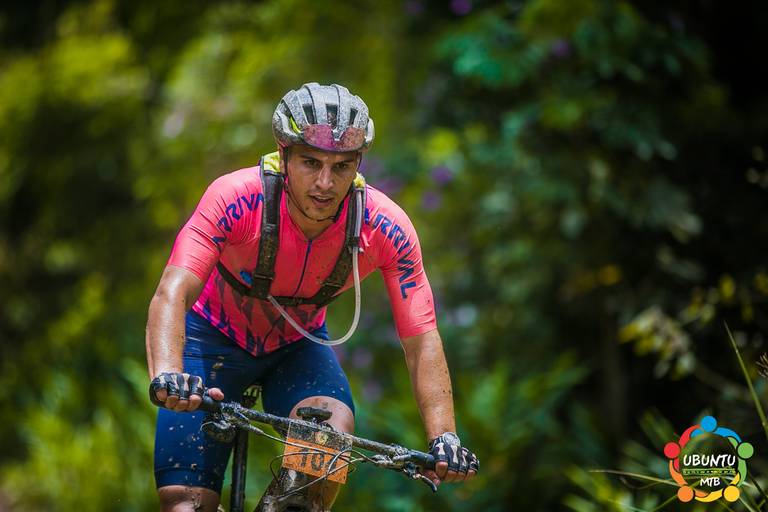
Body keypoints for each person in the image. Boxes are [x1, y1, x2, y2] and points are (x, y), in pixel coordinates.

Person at [146, 82, 479, 511]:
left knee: (327, 442)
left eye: (342, 167)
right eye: (310, 162)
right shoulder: (235, 197)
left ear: (358, 164)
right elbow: (172, 292)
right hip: (208, 341)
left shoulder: (384, 226)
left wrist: (444, 436)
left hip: (295, 348)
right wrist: (169, 374)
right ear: (283, 154)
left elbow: (421, 339)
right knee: (185, 505)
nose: (325, 182)